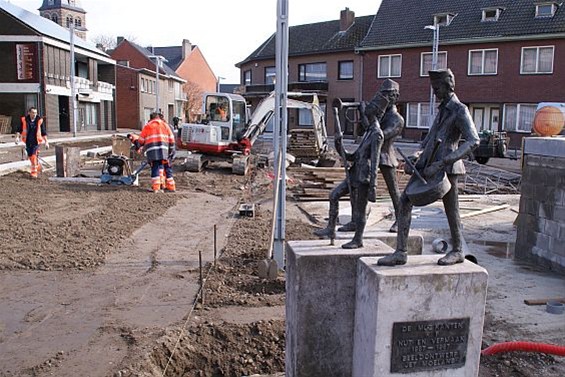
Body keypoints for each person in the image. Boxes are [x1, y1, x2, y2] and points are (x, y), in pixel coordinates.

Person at [377, 68, 480, 266]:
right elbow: (430, 141)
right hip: (429, 164)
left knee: (452, 209)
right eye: (433, 88)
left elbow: (473, 141)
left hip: (447, 169)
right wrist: (417, 156)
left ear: (448, 85)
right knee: (405, 201)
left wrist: (445, 161)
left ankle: (458, 250)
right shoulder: (442, 110)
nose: (435, 92)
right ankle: (401, 252)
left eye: (437, 88)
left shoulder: (459, 110)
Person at [314, 96, 387, 249]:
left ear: (376, 111)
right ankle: (330, 229)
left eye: (370, 107)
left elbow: (375, 162)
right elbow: (355, 156)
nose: (366, 109)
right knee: (334, 195)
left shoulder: (377, 134)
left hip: (364, 178)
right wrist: (341, 147)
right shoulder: (369, 132)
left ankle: (358, 239)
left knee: (360, 210)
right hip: (355, 173)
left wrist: (373, 186)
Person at [338, 79, 405, 234]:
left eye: (389, 95)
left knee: (394, 191)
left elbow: (380, 135)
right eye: (383, 95)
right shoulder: (379, 113)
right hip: (369, 156)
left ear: (396, 97)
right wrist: (364, 114)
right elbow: (365, 131)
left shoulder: (397, 119)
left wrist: (368, 115)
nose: (385, 98)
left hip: (385, 155)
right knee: (356, 186)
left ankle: (400, 220)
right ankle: (355, 220)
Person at [137, 112, 176, 193]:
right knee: (166, 167)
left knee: (155, 167)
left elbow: (141, 140)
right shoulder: (165, 125)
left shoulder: (148, 126)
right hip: (164, 150)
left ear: (151, 118)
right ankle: (171, 187)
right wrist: (171, 150)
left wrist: (139, 146)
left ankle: (156, 187)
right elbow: (171, 138)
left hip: (152, 150)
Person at [16, 107, 49, 178]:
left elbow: (43, 132)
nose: (34, 114)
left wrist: (46, 142)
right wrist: (17, 137)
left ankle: (34, 173)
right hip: (27, 141)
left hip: (36, 141)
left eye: (35, 113)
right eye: (33, 112)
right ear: (29, 113)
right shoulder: (24, 120)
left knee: (33, 155)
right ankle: (37, 166)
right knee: (30, 156)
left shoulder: (39, 120)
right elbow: (19, 130)